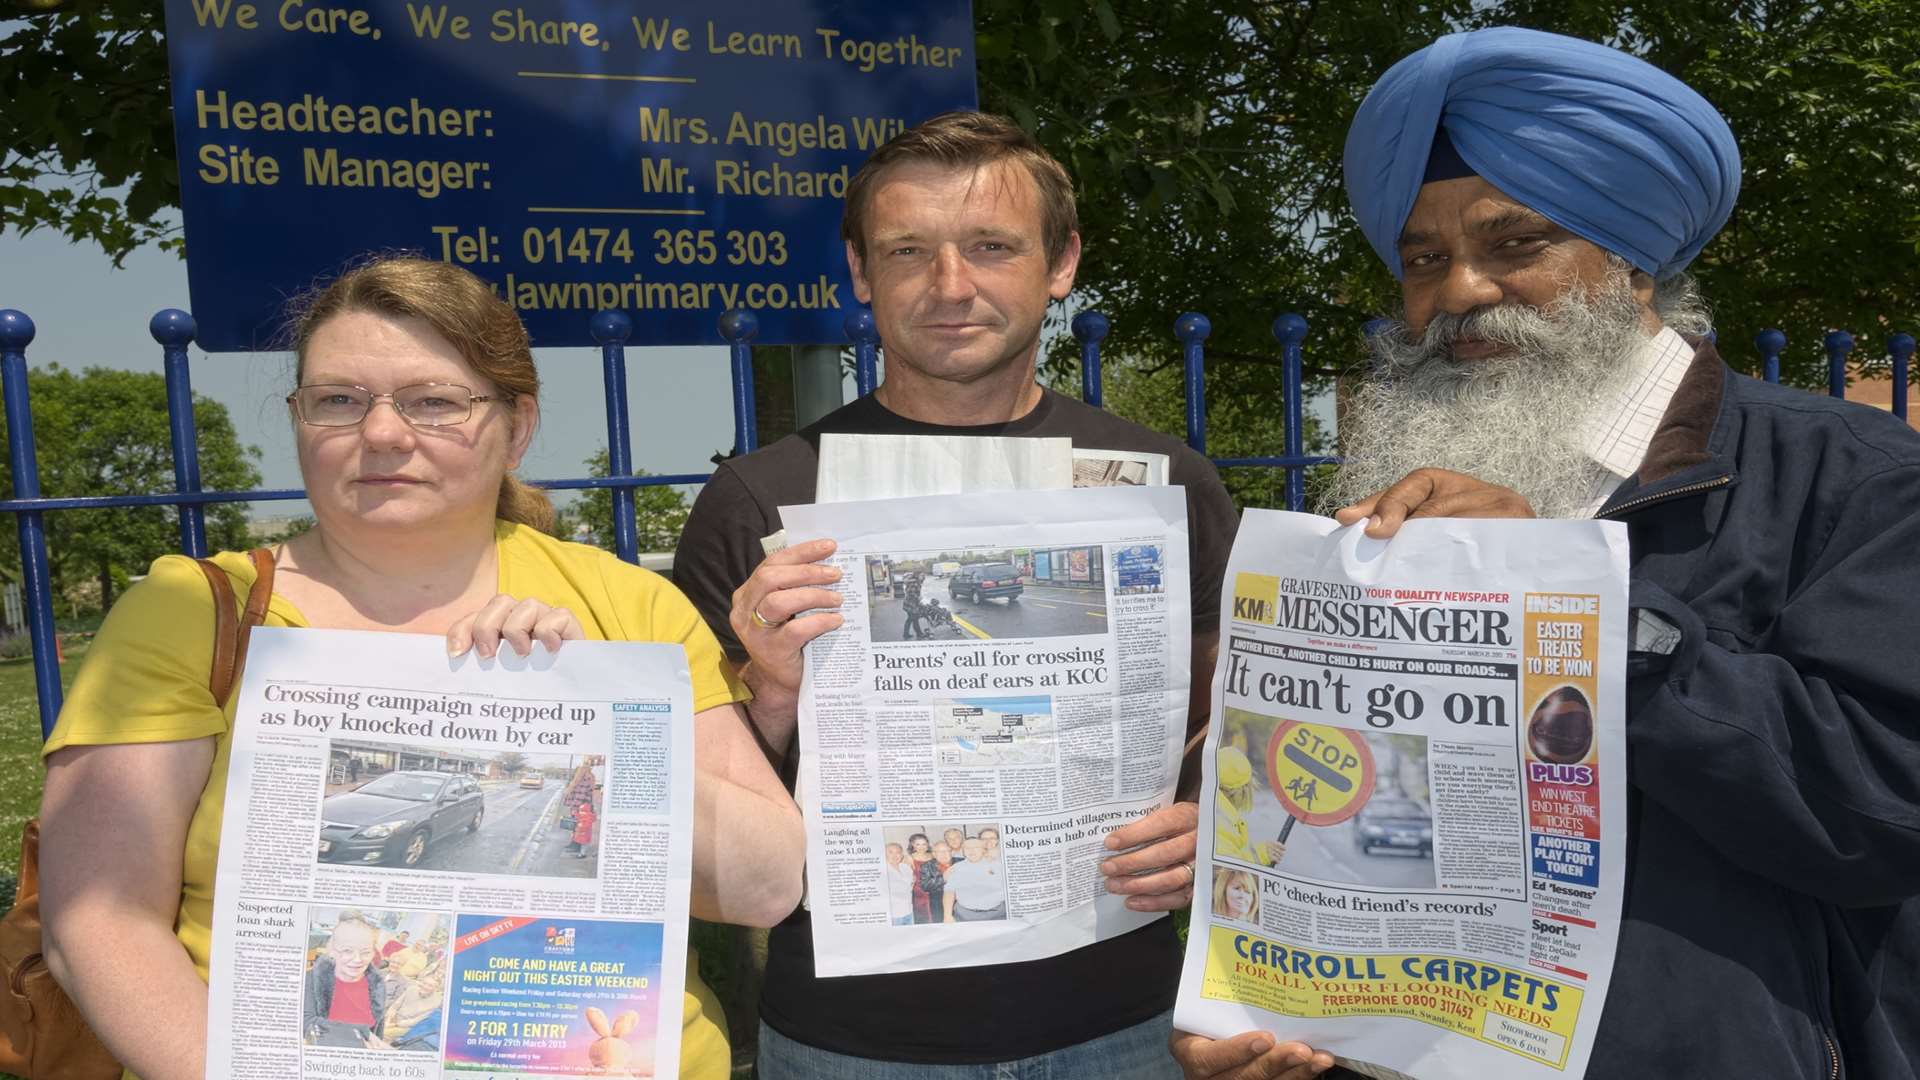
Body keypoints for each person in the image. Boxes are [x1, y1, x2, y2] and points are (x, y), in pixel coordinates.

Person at [1175, 26, 1920, 1080]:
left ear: (1635, 259)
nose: (1460, 292)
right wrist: (1259, 997)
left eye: (1515, 242)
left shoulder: (1853, 478)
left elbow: (1884, 811)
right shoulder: (1390, 496)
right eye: (1423, 259)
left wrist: (1569, 606)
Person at [35, 256, 805, 1080]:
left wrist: (591, 715)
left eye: (434, 401)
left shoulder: (626, 607)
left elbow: (764, 886)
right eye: (338, 400)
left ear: (518, 424)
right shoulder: (194, 613)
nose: (382, 433)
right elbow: (97, 925)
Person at [674, 109, 1245, 1078]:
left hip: (1123, 1026)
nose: (951, 286)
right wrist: (767, 692)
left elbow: (1222, 724)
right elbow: (703, 831)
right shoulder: (757, 500)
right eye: (909, 251)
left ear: (1060, 263)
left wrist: (1210, 822)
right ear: (860, 273)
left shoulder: (1163, 482)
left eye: (990, 247)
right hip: (850, 1044)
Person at [301, 912, 387, 1048]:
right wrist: (360, 1031)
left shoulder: (377, 984)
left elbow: (377, 1031)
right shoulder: (313, 979)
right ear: (332, 951)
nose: (358, 960)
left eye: (366, 952)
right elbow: (306, 1021)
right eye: (347, 951)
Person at [1214, 748, 1285, 868]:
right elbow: (1222, 869)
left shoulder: (1214, 807)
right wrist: (1257, 855)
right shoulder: (1222, 820)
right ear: (1243, 790)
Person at [942, 838, 1006, 922]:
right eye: (967, 848)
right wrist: (947, 916)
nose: (971, 850)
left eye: (976, 847)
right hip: (964, 915)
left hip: (997, 914)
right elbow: (949, 892)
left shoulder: (998, 865)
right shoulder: (956, 868)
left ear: (983, 850)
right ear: (963, 851)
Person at [905, 832, 937, 925]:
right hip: (919, 892)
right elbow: (907, 877)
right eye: (917, 844)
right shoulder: (909, 858)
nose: (921, 847)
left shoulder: (933, 855)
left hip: (934, 890)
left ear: (927, 844)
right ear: (913, 846)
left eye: (924, 844)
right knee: (923, 916)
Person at [883, 843, 916, 925]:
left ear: (902, 855)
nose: (895, 855)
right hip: (894, 916)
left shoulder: (906, 868)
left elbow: (911, 885)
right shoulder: (882, 871)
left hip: (909, 911)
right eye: (890, 852)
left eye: (898, 852)